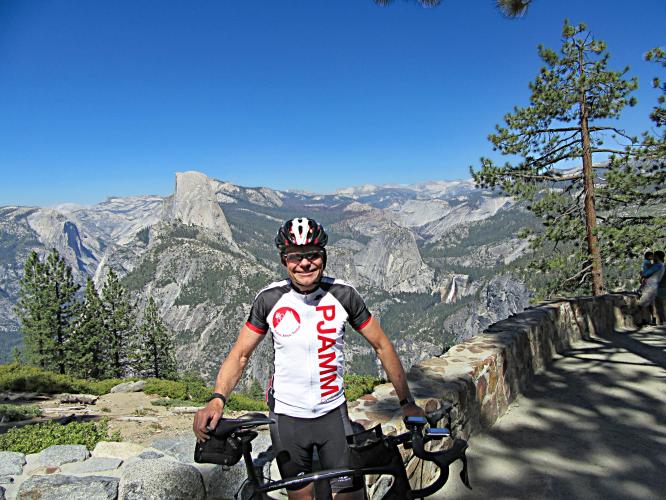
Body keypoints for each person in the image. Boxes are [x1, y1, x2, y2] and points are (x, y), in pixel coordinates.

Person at [193, 217, 424, 500]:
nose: (305, 263)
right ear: (284, 260)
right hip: (288, 420)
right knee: (300, 497)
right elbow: (240, 355)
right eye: (295, 257)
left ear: (323, 256)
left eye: (312, 255)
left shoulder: (343, 295)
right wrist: (217, 398)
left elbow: (382, 346)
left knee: (349, 494)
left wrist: (406, 403)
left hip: (332, 416)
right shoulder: (269, 299)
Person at [639, 250, 665, 314]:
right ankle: (652, 320)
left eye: (654, 255)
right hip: (655, 285)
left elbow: (646, 274)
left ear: (657, 256)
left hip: (650, 286)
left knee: (642, 303)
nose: (653, 257)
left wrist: (642, 274)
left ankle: (644, 320)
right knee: (651, 304)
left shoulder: (658, 265)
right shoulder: (662, 265)